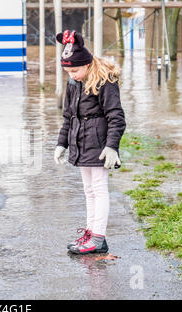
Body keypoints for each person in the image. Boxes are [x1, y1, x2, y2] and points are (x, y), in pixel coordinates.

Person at [53, 30, 126, 255]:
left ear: (86, 64)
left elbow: (116, 117)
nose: (71, 74)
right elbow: (68, 116)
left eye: (75, 70)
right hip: (80, 142)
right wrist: (61, 143)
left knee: (99, 189)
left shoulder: (105, 81)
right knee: (88, 190)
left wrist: (112, 146)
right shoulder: (74, 83)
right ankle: (91, 232)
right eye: (68, 71)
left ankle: (98, 238)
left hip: (99, 144)